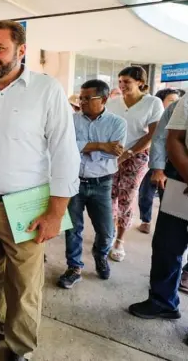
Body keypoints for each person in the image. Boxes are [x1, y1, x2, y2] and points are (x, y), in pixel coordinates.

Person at [0, 20, 80, 361]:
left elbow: (64, 151)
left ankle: (21, 347)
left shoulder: (46, 90)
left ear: (21, 51)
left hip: (26, 205)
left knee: (25, 284)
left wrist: (56, 212)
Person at [57, 80, 127, 289]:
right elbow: (67, 147)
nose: (83, 102)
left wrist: (84, 148)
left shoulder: (117, 123)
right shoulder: (71, 120)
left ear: (103, 99)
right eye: (81, 97)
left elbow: (113, 153)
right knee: (73, 228)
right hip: (74, 181)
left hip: (102, 183)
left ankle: (100, 255)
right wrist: (99, 145)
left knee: (106, 230)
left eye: (88, 98)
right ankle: (74, 267)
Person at [129, 94, 188, 328]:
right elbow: (172, 138)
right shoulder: (184, 102)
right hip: (182, 179)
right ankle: (163, 301)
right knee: (167, 245)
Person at [106, 67, 164, 261]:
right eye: (120, 81)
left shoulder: (152, 103)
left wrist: (129, 153)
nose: (122, 86)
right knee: (109, 195)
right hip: (112, 154)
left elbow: (153, 133)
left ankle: (119, 241)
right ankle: (110, 233)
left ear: (140, 82)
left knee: (127, 197)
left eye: (127, 82)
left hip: (137, 156)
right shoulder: (113, 103)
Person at [137, 88, 184, 233]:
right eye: (171, 99)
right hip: (166, 165)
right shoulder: (175, 109)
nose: (175, 101)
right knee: (147, 194)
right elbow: (159, 139)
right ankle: (146, 219)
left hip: (167, 165)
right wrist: (158, 168)